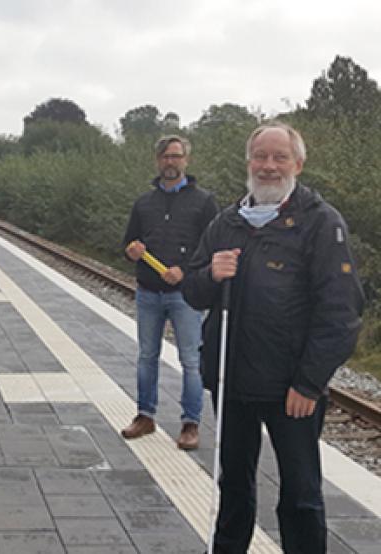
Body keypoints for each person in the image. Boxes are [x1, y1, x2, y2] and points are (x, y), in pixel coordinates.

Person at [182, 122, 363, 553]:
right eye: (260, 157)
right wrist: (211, 273)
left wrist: (309, 382)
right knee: (234, 487)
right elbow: (191, 290)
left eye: (279, 157)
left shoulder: (320, 223)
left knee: (300, 495)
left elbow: (341, 313)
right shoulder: (226, 222)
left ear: (297, 164)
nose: (268, 166)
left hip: (291, 389)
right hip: (232, 382)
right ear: (249, 163)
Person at [120, 135, 219, 450]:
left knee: (190, 360)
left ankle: (191, 424)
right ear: (157, 160)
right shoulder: (143, 203)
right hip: (148, 292)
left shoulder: (204, 202)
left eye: (176, 156)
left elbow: (211, 249)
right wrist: (132, 251)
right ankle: (144, 416)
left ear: (186, 160)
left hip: (185, 295)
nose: (170, 162)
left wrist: (186, 271)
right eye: (165, 156)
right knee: (147, 357)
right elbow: (128, 242)